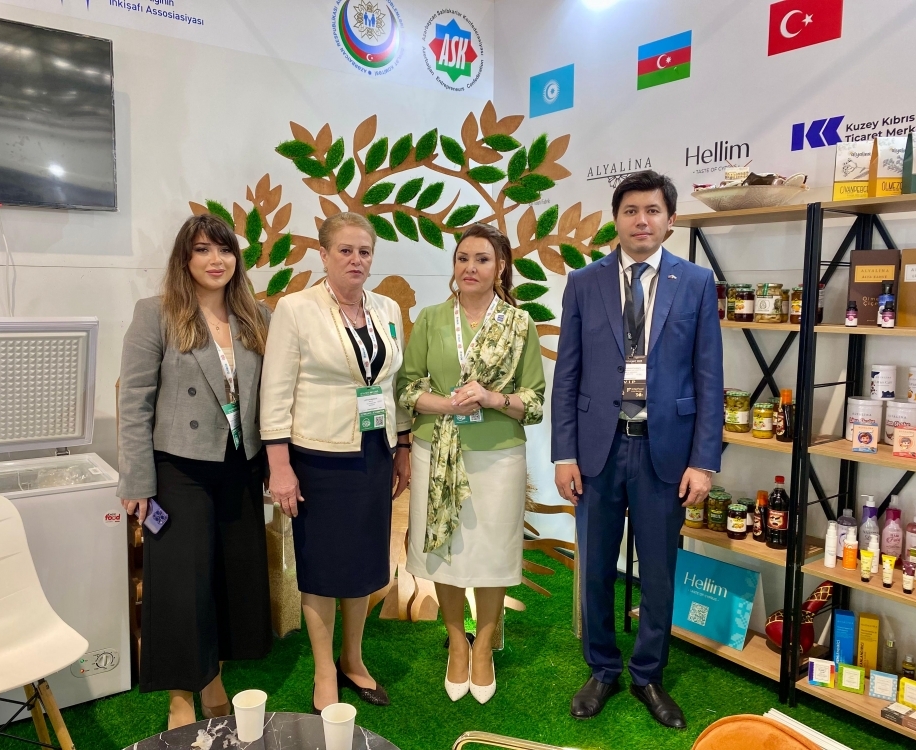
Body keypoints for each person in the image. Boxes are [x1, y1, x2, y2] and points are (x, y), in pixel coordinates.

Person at [551, 170, 722, 728]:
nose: (641, 220)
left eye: (652, 211)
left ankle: (648, 674)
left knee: (659, 573)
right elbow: (568, 374)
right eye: (630, 211)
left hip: (663, 453)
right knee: (596, 568)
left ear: (670, 220)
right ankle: (602, 668)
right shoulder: (584, 282)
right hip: (597, 452)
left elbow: (709, 376)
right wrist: (564, 454)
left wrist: (703, 461)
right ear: (616, 220)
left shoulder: (695, 282)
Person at [117, 214, 273, 730]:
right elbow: (134, 401)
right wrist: (137, 481)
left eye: (224, 250)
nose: (215, 260)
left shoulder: (256, 315)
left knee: (228, 578)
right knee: (181, 584)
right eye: (203, 249)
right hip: (177, 468)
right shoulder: (157, 313)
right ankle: (181, 697)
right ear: (185, 259)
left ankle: (213, 679)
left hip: (241, 464)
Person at [260, 212, 412, 714]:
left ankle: (353, 658)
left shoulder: (386, 307)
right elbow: (275, 392)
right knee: (324, 567)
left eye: (364, 251)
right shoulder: (296, 309)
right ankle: (324, 670)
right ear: (323, 255)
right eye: (345, 250)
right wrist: (279, 465)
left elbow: (393, 385)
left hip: (374, 452)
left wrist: (403, 446)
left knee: (364, 563)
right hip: (318, 457)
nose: (356, 260)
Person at [398, 223, 545, 704]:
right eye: (463, 258)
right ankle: (456, 643)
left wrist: (493, 397)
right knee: (447, 550)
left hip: (498, 455)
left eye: (482, 259)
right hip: (435, 449)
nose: (470, 267)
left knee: (492, 552)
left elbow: (535, 402)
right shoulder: (432, 318)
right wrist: (447, 405)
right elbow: (406, 388)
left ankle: (482, 646)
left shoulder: (519, 324)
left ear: (500, 266)